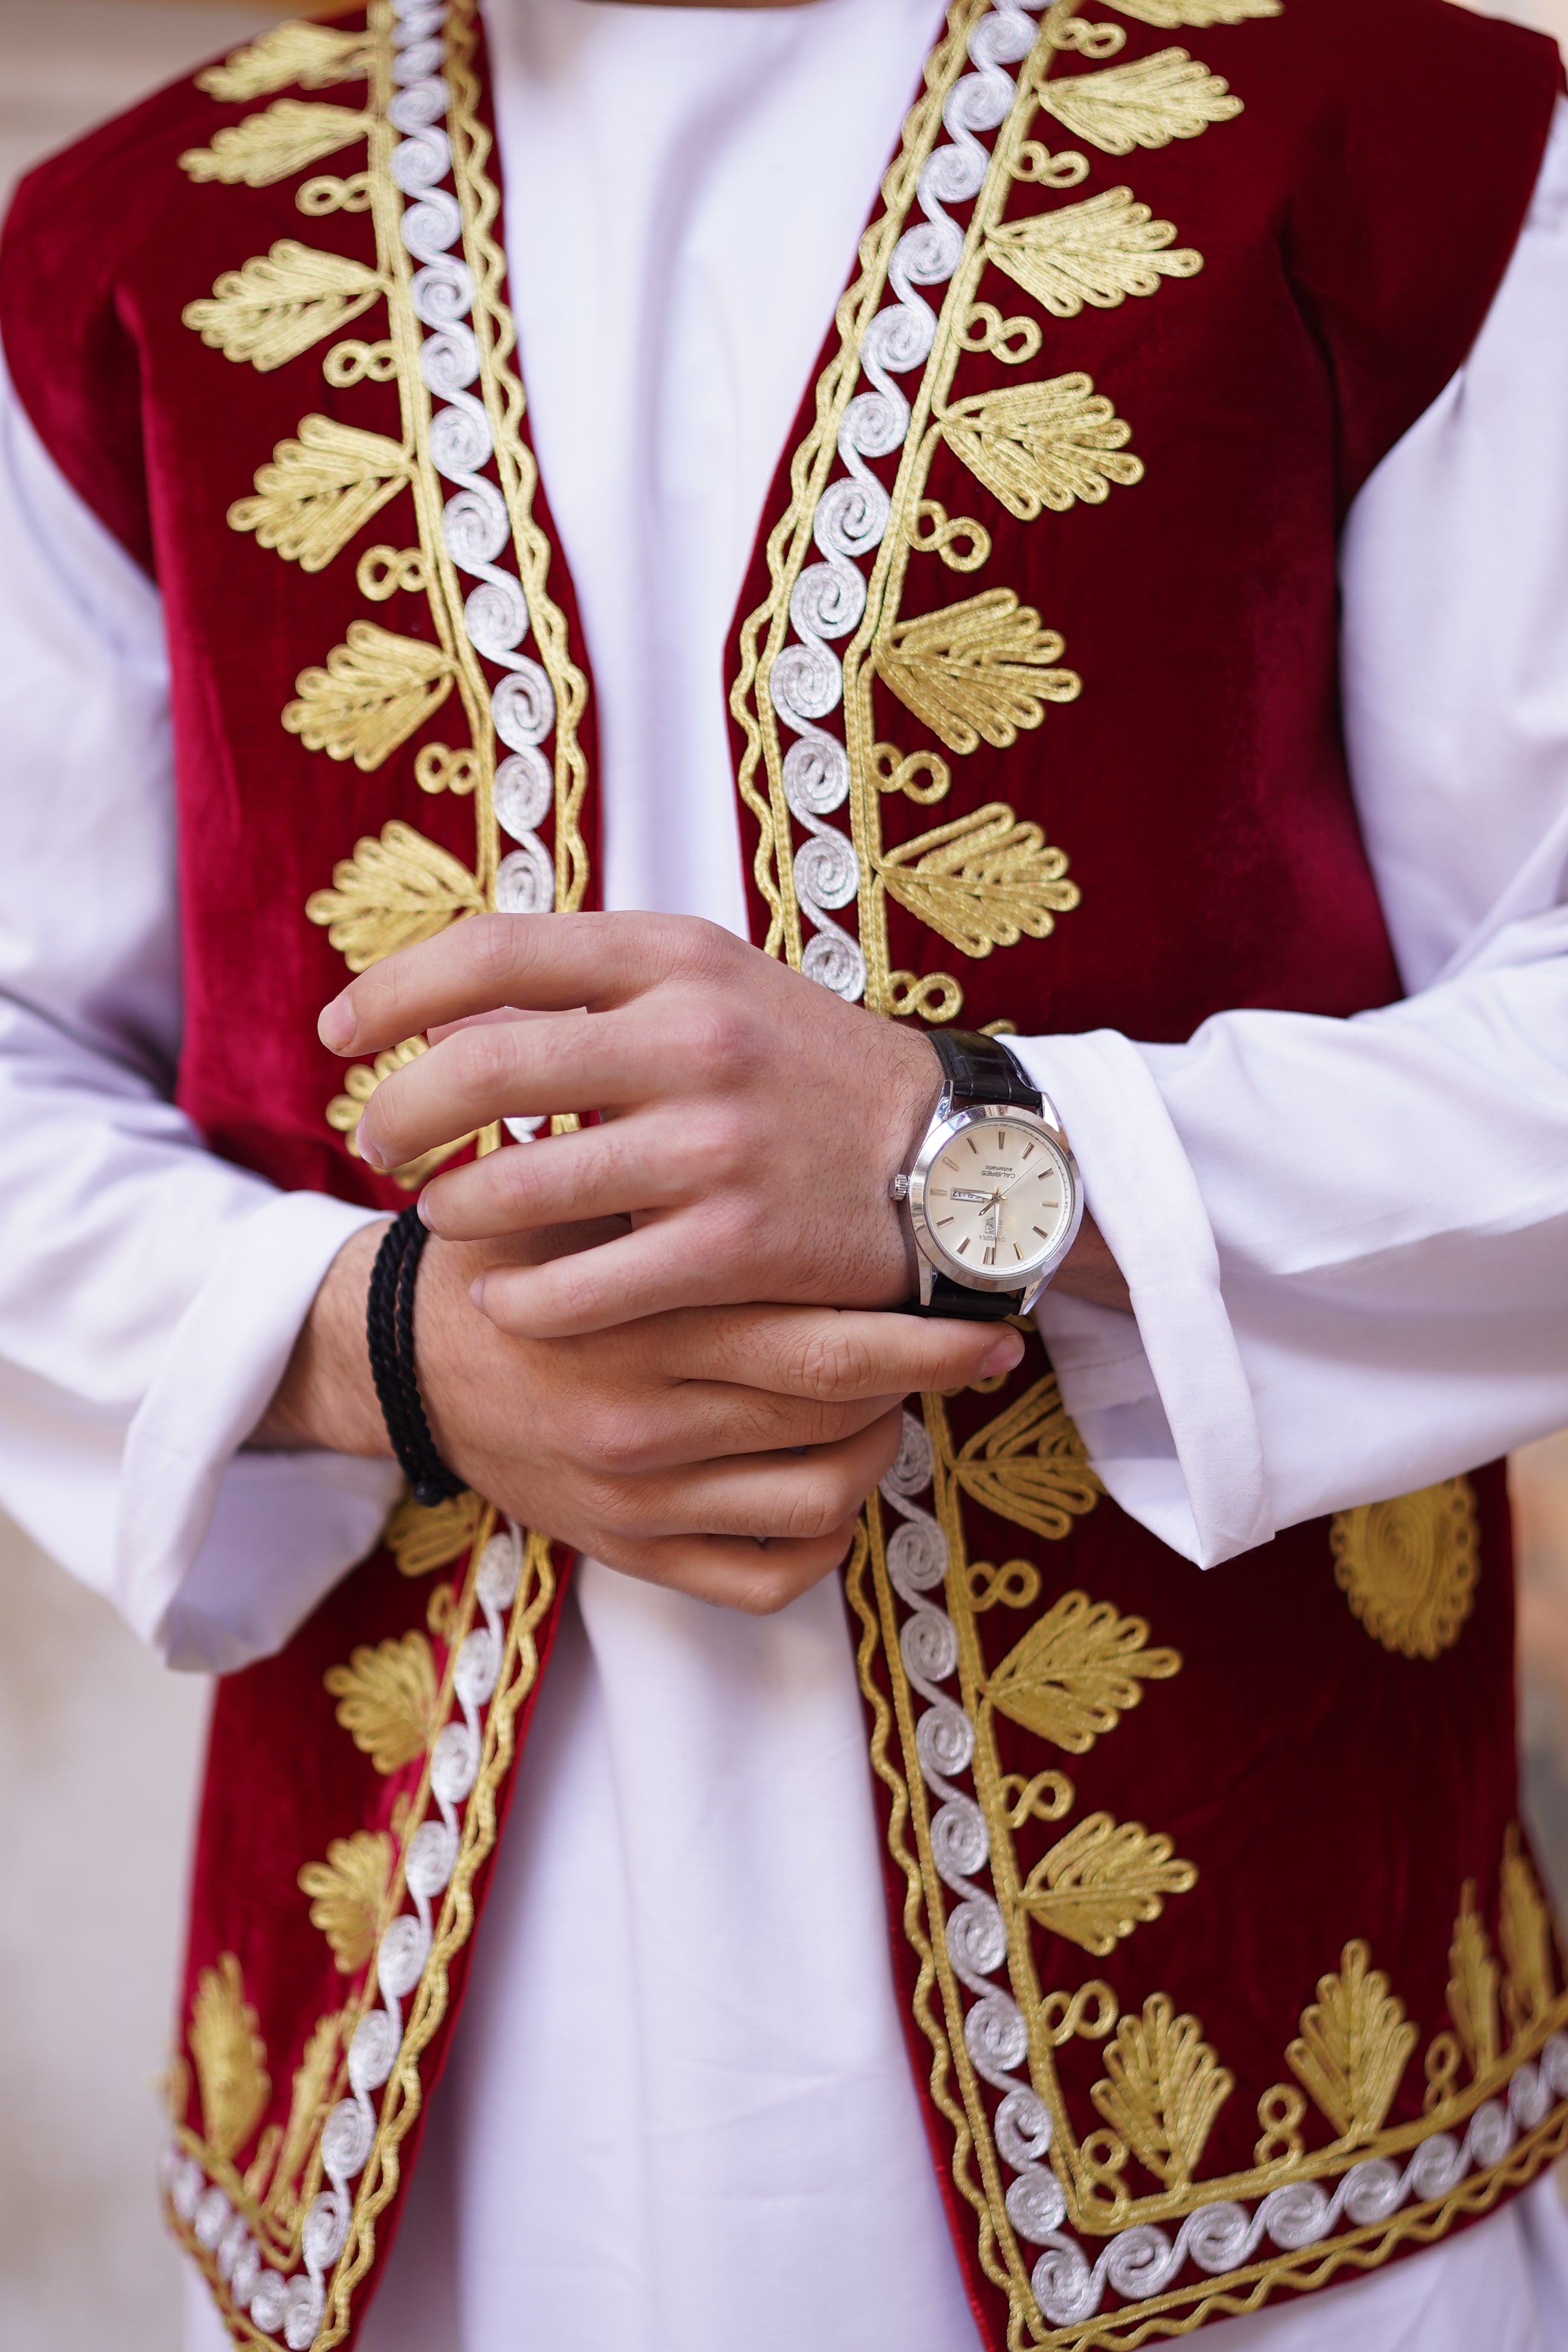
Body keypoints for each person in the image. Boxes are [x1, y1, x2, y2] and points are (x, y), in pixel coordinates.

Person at [4, 0, 1568, 2344]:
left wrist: (984, 1169)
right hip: (428, 2121)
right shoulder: (126, 250)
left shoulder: (1403, 149)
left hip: (1258, 2094)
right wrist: (381, 1352)